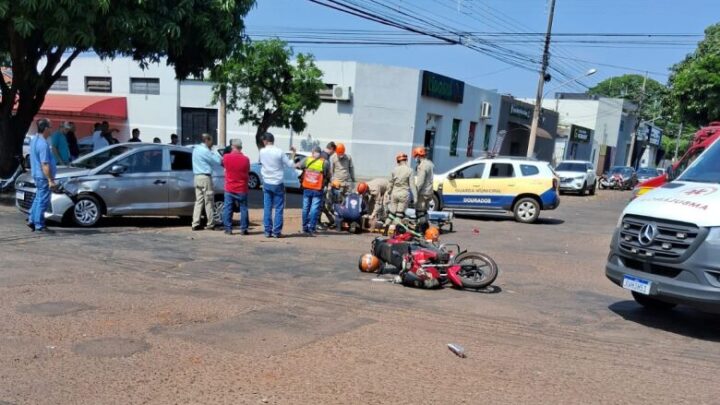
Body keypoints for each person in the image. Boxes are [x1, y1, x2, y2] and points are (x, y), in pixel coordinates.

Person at [258, 132, 295, 238]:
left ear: (265, 141)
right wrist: (293, 153)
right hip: (278, 182)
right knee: (278, 208)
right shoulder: (279, 152)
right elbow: (290, 164)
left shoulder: (262, 152)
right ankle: (276, 231)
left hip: (267, 182)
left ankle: (267, 231)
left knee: (267, 207)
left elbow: (261, 163)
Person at [27, 118, 57, 233]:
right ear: (45, 128)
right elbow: (45, 164)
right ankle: (39, 224)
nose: (51, 129)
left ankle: (31, 219)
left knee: (38, 198)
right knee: (43, 200)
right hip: (43, 177)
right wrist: (50, 180)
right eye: (50, 127)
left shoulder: (34, 140)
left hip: (36, 174)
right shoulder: (43, 144)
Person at [191, 133, 222, 231]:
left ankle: (195, 223)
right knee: (209, 201)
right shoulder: (206, 151)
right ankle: (210, 223)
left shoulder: (195, 149)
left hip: (196, 177)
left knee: (198, 201)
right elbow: (218, 160)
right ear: (207, 140)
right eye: (211, 141)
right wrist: (213, 151)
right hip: (205, 177)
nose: (212, 143)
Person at [297, 146, 331, 236]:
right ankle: (312, 228)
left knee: (305, 208)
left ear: (312, 152)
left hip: (307, 187)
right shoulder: (325, 162)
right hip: (318, 188)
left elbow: (298, 166)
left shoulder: (307, 160)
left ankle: (305, 227)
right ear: (320, 153)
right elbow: (328, 175)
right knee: (314, 208)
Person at [222, 139, 250, 235]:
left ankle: (228, 229)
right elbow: (247, 171)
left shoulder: (226, 157)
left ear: (232, 147)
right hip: (242, 188)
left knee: (228, 208)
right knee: (243, 208)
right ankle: (244, 229)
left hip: (229, 187)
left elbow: (223, 165)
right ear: (240, 147)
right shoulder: (246, 159)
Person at [384, 152, 412, 229]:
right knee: (399, 215)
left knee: (392, 213)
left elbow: (390, 183)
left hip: (394, 193)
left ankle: (386, 227)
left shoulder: (394, 170)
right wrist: (415, 197)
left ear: (398, 161)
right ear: (406, 160)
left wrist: (388, 193)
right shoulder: (410, 170)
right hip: (403, 194)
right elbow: (412, 185)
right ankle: (394, 231)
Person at [412, 146, 435, 234]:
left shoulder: (422, 166)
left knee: (420, 211)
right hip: (429, 191)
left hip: (422, 192)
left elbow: (420, 181)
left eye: (416, 157)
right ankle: (426, 229)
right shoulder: (430, 163)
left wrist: (415, 193)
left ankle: (421, 231)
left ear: (418, 156)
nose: (416, 159)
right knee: (424, 211)